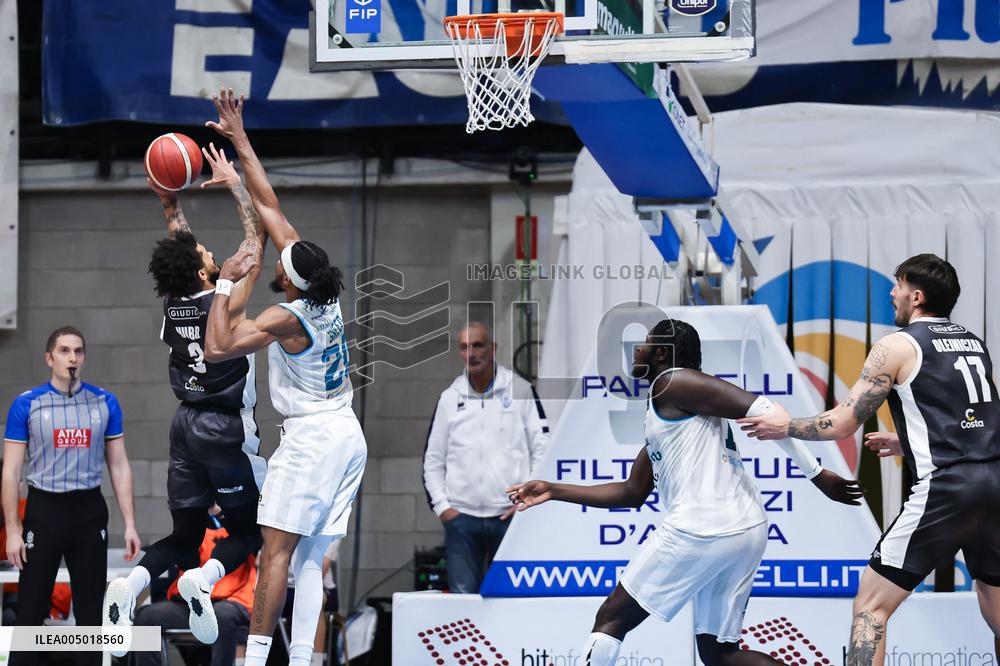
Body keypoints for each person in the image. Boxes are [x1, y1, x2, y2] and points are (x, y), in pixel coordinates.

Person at [507, 318, 863, 666]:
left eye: (645, 344)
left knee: (612, 616)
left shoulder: (671, 381)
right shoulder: (670, 411)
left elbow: (768, 412)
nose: (637, 351)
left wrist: (816, 473)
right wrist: (553, 490)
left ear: (661, 353)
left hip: (704, 526)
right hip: (745, 529)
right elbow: (631, 492)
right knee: (719, 654)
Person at [739, 253, 1000, 666]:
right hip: (994, 486)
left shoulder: (897, 345)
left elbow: (843, 423)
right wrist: (908, 442)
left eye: (898, 285)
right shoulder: (973, 343)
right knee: (997, 611)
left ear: (916, 296)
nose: (892, 293)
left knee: (871, 608)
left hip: (949, 490)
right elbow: (980, 422)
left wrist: (786, 426)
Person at [203, 88, 367, 666]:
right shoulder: (320, 288)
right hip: (347, 434)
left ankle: (254, 660)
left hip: (315, 438)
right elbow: (269, 204)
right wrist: (239, 141)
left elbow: (218, 347)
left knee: (275, 551)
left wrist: (226, 281)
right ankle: (302, 661)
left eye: (278, 262)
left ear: (292, 280)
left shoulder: (287, 317)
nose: (276, 258)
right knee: (310, 559)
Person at [103, 144, 268, 654]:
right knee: (250, 533)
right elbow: (256, 242)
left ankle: (131, 583)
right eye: (207, 257)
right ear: (202, 274)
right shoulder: (227, 301)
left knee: (182, 537)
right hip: (226, 429)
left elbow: (183, 244)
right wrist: (236, 183)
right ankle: (205, 578)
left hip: (184, 427)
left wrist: (169, 199)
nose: (211, 254)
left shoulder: (175, 302)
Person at [2, 326, 141, 666]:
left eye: (78, 351)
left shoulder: (105, 403)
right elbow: (11, 472)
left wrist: (130, 524)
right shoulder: (27, 404)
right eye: (64, 350)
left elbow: (119, 466)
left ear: (84, 358)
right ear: (49, 358)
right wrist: (14, 530)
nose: (72, 357)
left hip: (88, 511)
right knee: (30, 609)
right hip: (44, 510)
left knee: (91, 612)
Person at [423, 322, 550, 593]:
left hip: (510, 517)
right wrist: (443, 507)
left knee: (511, 598)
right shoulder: (449, 398)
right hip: (461, 520)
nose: (471, 353)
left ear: (493, 349)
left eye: (478, 345)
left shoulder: (520, 390)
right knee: (463, 603)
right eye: (464, 347)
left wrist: (527, 499)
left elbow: (544, 449)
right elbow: (433, 460)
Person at [134, 506, 256, 666]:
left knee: (223, 615)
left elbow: (257, 545)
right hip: (192, 602)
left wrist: (218, 512)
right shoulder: (193, 522)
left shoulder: (242, 519)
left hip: (231, 600)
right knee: (147, 617)